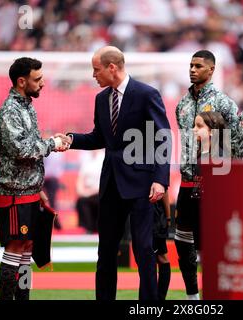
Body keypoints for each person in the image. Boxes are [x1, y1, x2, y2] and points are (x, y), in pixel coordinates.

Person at [63, 46, 171, 301]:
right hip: (111, 184)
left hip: (143, 184)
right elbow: (98, 137)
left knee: (144, 250)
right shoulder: (101, 99)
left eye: (96, 69)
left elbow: (163, 139)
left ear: (112, 67)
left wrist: (160, 180)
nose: (93, 75)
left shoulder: (146, 94)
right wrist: (70, 139)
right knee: (106, 250)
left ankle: (148, 305)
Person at [0, 57, 69, 300]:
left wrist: (39, 187)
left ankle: (23, 299)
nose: (43, 83)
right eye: (38, 79)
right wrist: (52, 144)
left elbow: (29, 148)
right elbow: (20, 149)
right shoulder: (10, 110)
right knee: (15, 247)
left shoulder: (26, 106)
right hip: (14, 192)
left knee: (27, 248)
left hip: (28, 190)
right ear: (21, 81)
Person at [176, 49, 240, 299]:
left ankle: (215, 294)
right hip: (186, 183)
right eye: (190, 65)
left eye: (198, 66)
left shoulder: (224, 103)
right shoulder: (182, 103)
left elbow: (238, 142)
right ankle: (192, 296)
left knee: (211, 246)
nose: (192, 69)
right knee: (183, 245)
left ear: (211, 70)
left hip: (213, 185)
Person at [75, 149, 105, 234]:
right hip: (88, 192)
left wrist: (90, 192)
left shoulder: (104, 158)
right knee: (81, 201)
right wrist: (82, 192)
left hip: (101, 192)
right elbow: (81, 179)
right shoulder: (86, 160)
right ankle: (88, 227)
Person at [153, 190, 171, 301]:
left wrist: (168, 217)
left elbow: (164, 190)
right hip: (147, 216)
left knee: (161, 257)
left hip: (155, 218)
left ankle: (159, 297)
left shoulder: (158, 172)